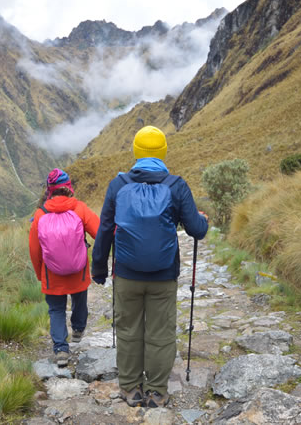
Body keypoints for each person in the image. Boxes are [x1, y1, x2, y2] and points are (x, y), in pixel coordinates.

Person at [91, 126, 208, 408]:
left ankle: (131, 389)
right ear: (163, 152)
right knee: (161, 332)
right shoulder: (176, 185)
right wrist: (202, 219)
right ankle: (156, 391)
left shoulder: (118, 185)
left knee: (129, 330)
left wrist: (99, 269)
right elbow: (196, 229)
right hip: (163, 276)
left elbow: (105, 229)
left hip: (127, 275)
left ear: (136, 152)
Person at [29, 168, 100, 367]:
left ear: (49, 190)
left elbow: (34, 250)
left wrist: (40, 274)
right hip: (78, 271)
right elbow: (99, 233)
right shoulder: (80, 209)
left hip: (52, 275)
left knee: (56, 309)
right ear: (68, 187)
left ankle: (61, 350)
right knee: (80, 299)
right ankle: (78, 329)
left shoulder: (40, 214)